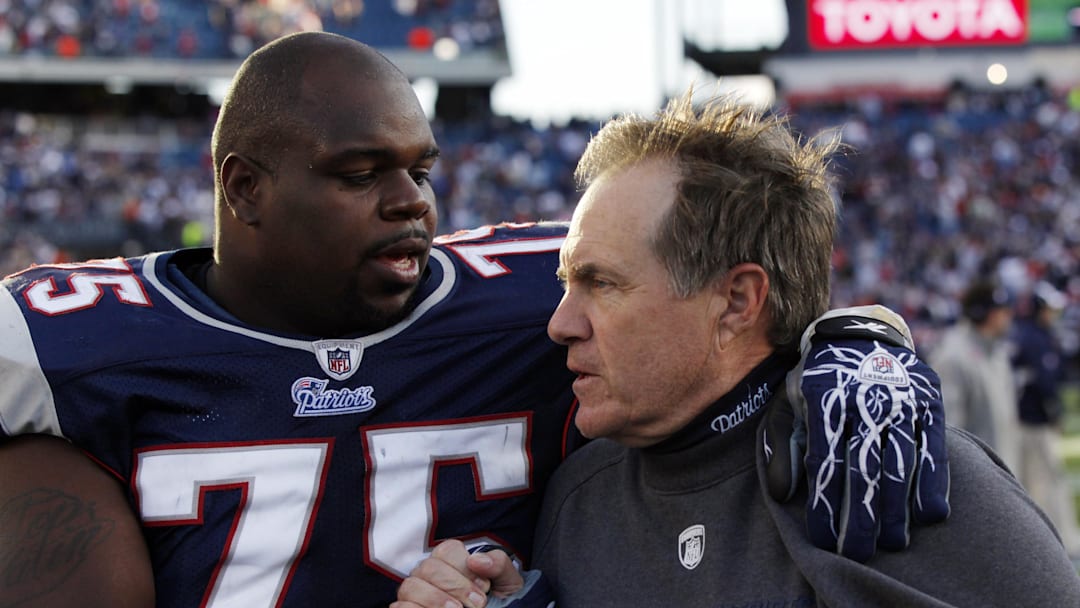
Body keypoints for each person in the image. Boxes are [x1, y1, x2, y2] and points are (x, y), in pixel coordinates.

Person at [0, 33, 943, 608]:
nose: (411, 202)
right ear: (243, 188)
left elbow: (733, 301)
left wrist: (854, 341)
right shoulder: (71, 333)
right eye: (361, 173)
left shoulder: (538, 288)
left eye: (421, 168)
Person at [394, 93, 1080, 608]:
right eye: (568, 282)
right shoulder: (579, 497)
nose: (560, 324)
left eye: (601, 283)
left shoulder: (888, 468)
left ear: (737, 302)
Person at [1011, 280, 1080, 556]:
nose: (1054, 314)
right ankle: (1059, 538)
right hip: (1034, 422)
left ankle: (1048, 539)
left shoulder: (1030, 335)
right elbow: (1043, 382)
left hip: (1028, 420)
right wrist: (1053, 411)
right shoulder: (1034, 339)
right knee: (1046, 481)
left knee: (1038, 481)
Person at [931, 279, 1022, 472]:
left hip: (1002, 470)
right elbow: (949, 429)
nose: (1008, 317)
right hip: (975, 476)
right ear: (985, 314)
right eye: (1002, 312)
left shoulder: (997, 352)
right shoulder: (953, 355)